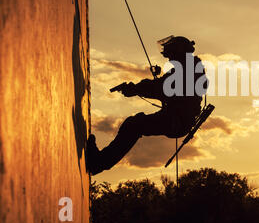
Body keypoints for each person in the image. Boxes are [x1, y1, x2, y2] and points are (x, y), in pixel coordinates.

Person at [86, 36, 207, 175]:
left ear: (178, 52)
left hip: (176, 121)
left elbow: (162, 88)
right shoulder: (188, 68)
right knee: (134, 124)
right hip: (175, 118)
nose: (168, 59)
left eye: (171, 55)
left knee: (134, 125)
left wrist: (136, 89)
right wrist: (138, 88)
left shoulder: (189, 70)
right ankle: (99, 161)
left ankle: (99, 163)